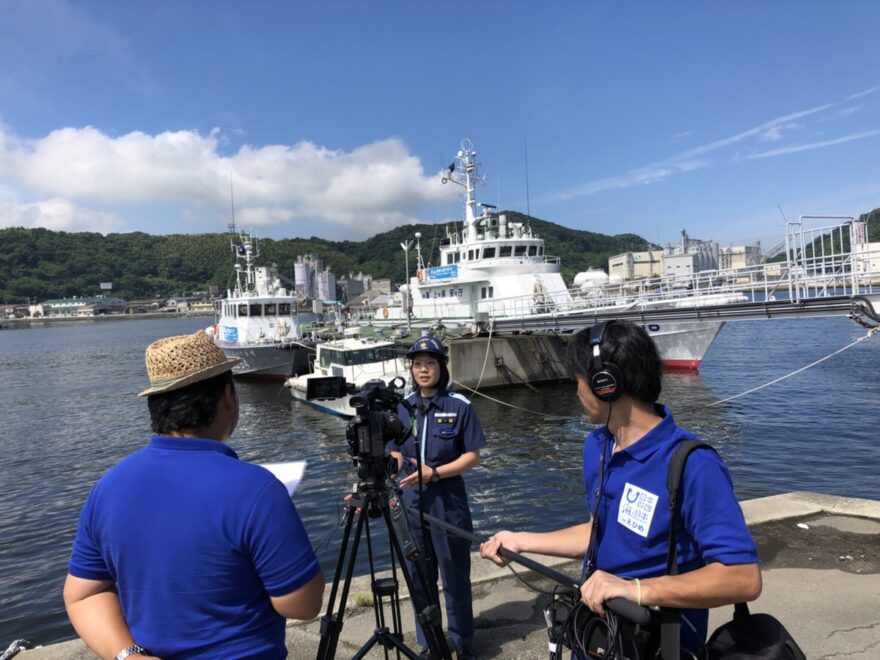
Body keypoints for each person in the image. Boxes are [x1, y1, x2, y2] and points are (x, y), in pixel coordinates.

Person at [480, 320, 761, 656]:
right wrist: (521, 540)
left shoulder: (693, 464)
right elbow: (599, 532)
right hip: (599, 637)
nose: (577, 392)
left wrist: (637, 590)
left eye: (579, 381)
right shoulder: (596, 446)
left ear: (605, 384)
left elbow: (742, 578)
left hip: (659, 647)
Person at [64, 331, 324, 659]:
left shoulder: (107, 487)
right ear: (228, 397)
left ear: (156, 406)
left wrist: (128, 655)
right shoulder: (257, 489)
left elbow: (83, 595)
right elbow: (302, 604)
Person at [390, 335, 486, 660]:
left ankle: (462, 641)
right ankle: (430, 641)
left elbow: (472, 456)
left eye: (430, 363)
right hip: (410, 502)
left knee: (454, 574)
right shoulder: (401, 409)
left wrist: (435, 473)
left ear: (441, 367)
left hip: (447, 501)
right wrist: (391, 465)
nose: (423, 369)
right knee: (418, 576)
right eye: (417, 364)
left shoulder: (459, 406)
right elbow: (394, 450)